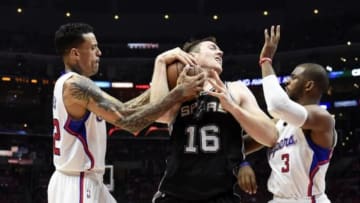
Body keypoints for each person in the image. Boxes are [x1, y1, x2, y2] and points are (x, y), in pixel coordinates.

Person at [47, 22, 206, 203]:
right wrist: (178, 93)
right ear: (75, 53)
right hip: (77, 183)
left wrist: (164, 73)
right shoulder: (76, 85)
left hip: (85, 180)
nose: (99, 52)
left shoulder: (72, 84)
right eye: (93, 48)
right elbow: (130, 122)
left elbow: (126, 109)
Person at [150, 37, 278, 203]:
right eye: (212, 48)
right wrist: (160, 62)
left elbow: (270, 137)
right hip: (175, 195)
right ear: (192, 57)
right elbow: (159, 116)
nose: (220, 52)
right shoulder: (179, 88)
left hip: (221, 195)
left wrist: (232, 107)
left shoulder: (235, 88)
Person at [243, 25, 337, 203]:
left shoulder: (321, 118)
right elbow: (239, 147)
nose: (287, 81)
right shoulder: (278, 122)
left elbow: (277, 105)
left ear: (308, 85)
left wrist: (265, 61)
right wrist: (242, 163)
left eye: (293, 78)